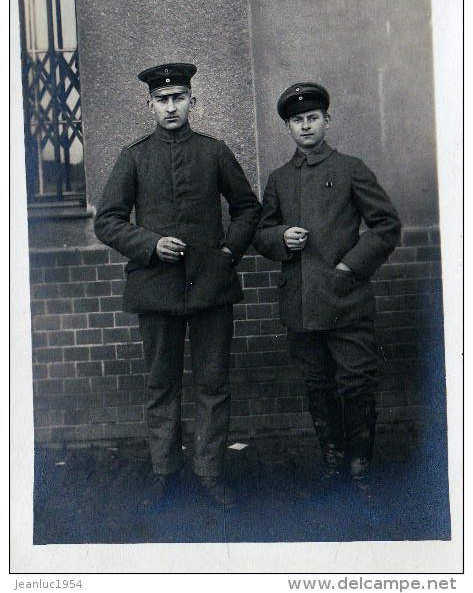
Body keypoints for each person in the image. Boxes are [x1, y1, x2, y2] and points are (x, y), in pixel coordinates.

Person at [94, 63, 261, 509]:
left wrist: (227, 254)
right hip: (155, 289)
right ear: (149, 104)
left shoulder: (215, 151)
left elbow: (248, 208)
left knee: (212, 384)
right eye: (162, 100)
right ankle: (164, 473)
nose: (171, 107)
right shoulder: (134, 156)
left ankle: (209, 473)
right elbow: (107, 221)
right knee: (161, 385)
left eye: (179, 98)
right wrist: (149, 244)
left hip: (210, 289)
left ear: (193, 101)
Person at [253, 82, 401, 496]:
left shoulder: (350, 168)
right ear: (288, 128)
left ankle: (360, 469)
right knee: (317, 385)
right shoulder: (280, 179)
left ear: (327, 121)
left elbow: (386, 225)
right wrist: (282, 237)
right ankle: (333, 464)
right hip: (301, 303)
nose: (305, 127)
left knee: (356, 382)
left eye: (312, 118)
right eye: (297, 121)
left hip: (346, 299)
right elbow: (261, 235)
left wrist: (349, 266)